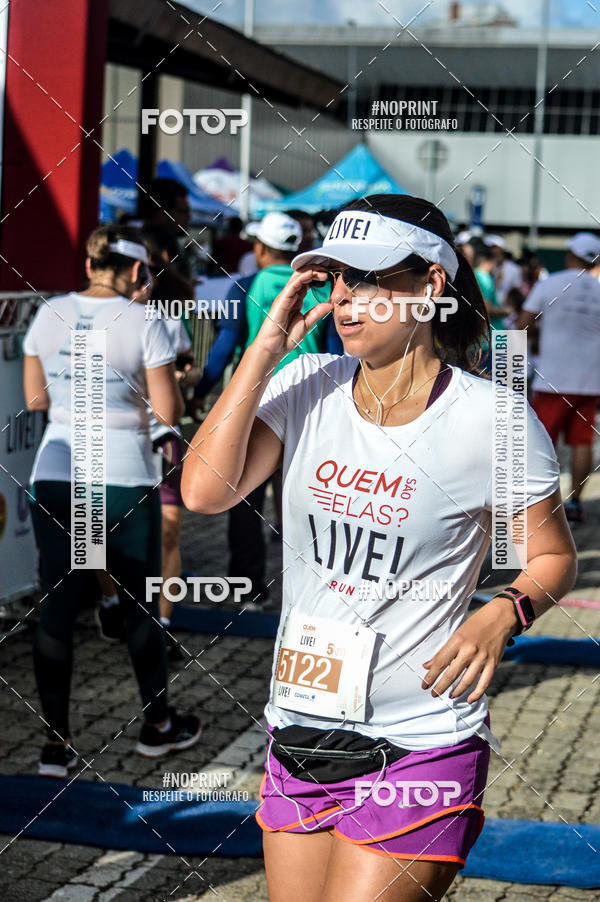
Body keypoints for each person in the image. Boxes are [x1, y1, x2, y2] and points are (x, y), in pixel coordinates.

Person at [182, 194, 576, 901]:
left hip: (423, 741)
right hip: (299, 731)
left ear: (430, 286)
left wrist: (501, 612)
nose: (345, 299)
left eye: (368, 279)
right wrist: (266, 349)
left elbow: (550, 557)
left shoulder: (491, 417)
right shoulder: (306, 384)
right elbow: (205, 493)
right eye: (336, 278)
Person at [23, 225, 202, 777]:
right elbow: (169, 415)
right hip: (121, 473)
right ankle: (157, 727)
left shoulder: (49, 311)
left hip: (55, 469)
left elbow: (36, 399)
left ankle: (56, 745)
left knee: (57, 604)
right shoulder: (145, 321)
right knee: (138, 605)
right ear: (133, 272)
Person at [228, 211, 329, 606]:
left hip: (258, 398)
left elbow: (225, 346)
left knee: (243, 498)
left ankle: (247, 587)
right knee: (303, 499)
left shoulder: (243, 285)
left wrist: (203, 388)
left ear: (257, 248)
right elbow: (336, 349)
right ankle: (307, 589)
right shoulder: (317, 288)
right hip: (310, 399)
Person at [518, 231, 600, 524]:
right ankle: (575, 503)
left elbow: (521, 326)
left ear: (571, 255)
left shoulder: (549, 284)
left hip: (551, 378)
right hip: (590, 381)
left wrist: (512, 370)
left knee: (540, 443)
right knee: (582, 443)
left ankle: (536, 506)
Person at [484, 234, 522, 306]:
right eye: (489, 248)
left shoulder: (514, 269)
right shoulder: (484, 268)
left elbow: (516, 292)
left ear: (501, 249)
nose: (492, 251)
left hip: (506, 312)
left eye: (494, 247)